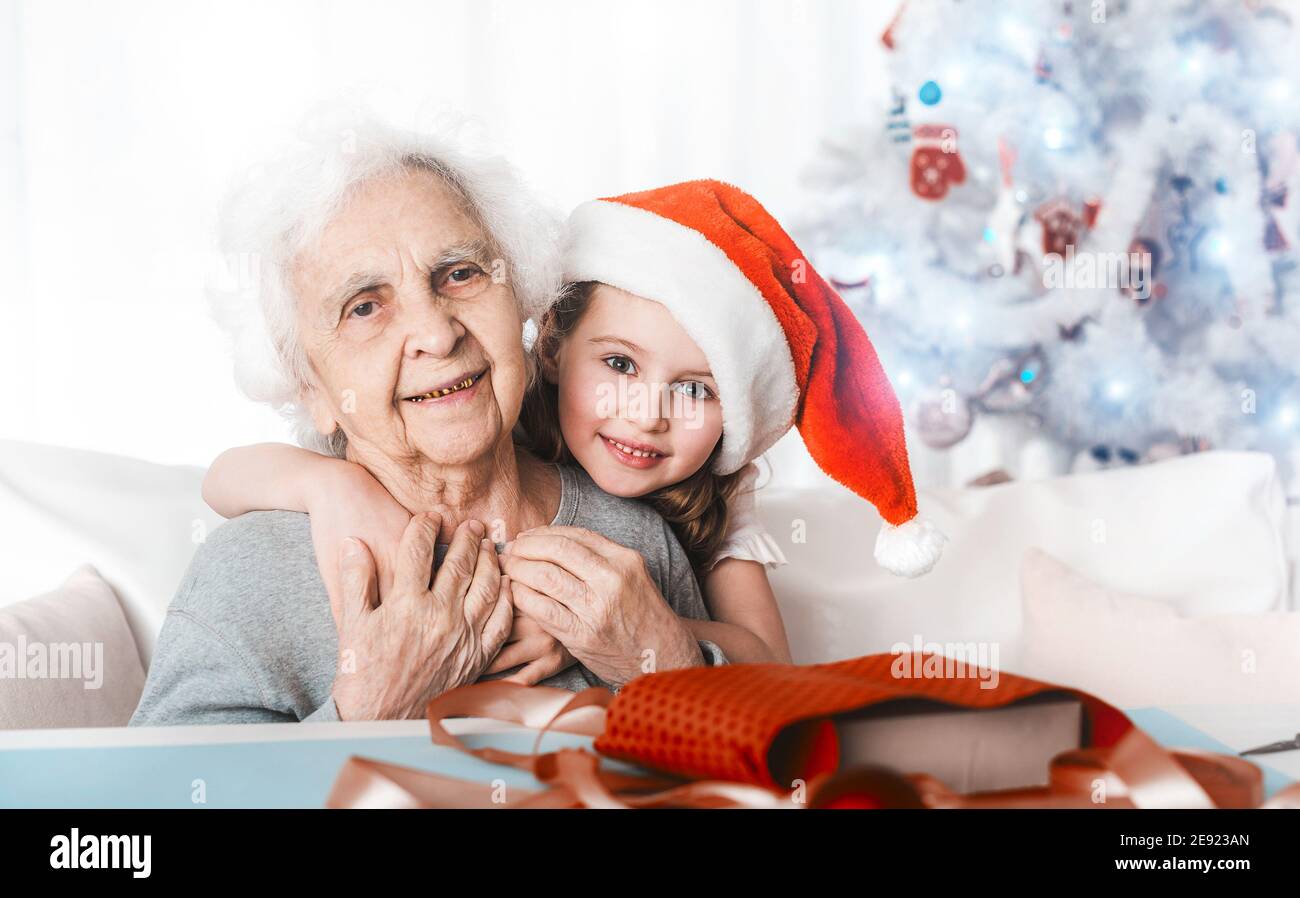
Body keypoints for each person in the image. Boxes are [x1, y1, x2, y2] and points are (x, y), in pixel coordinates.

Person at [129, 119, 727, 727]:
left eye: (461, 274)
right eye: (365, 307)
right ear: (312, 389)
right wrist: (370, 713)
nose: (438, 334)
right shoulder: (249, 573)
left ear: (521, 299)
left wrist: (672, 668)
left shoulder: (634, 535)